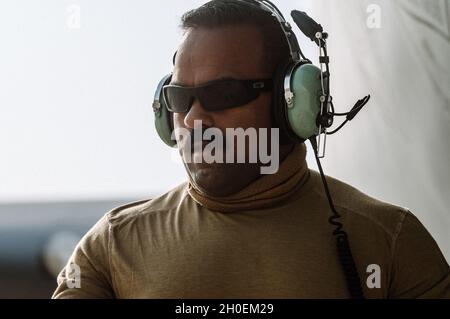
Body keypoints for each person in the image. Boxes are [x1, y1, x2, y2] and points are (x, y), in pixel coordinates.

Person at [52, 0, 449, 298]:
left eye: (223, 93)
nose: (193, 120)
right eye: (179, 98)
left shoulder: (391, 243)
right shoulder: (110, 248)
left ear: (291, 101)